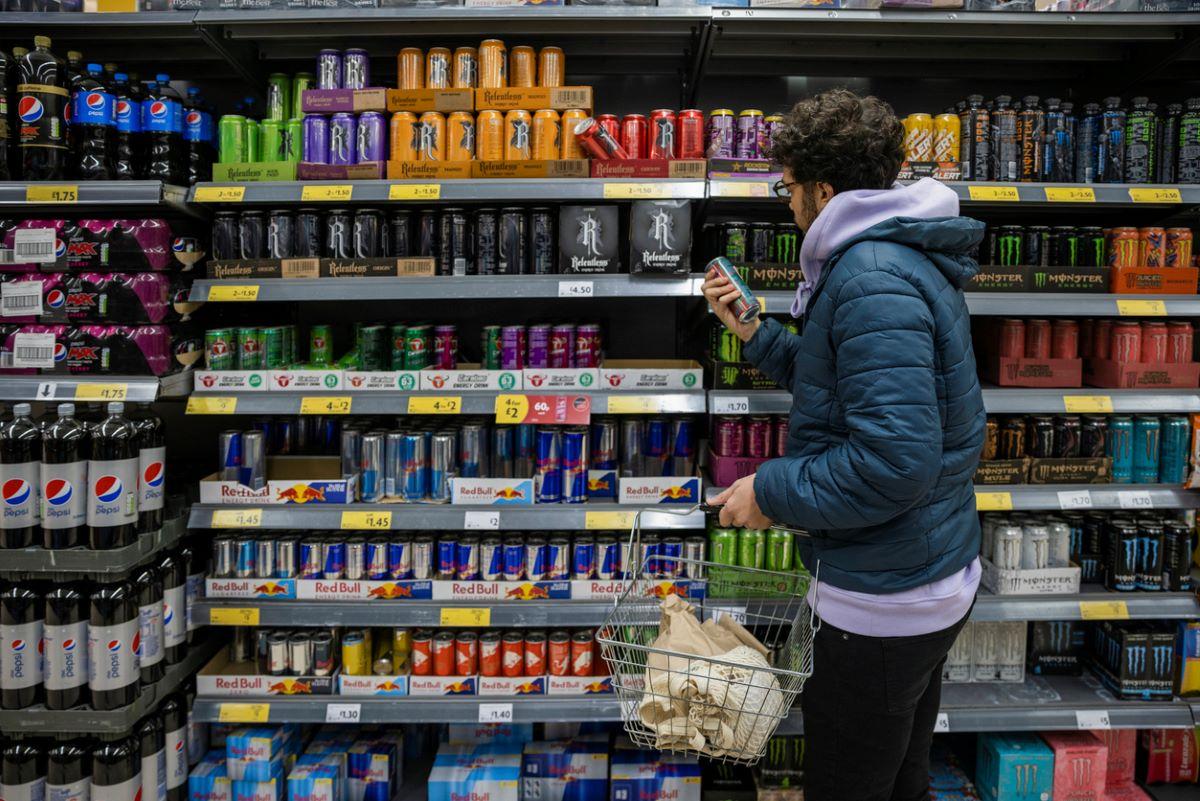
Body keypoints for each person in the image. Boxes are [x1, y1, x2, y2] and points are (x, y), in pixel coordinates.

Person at [702, 89, 987, 801]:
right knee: (901, 780)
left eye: (789, 186)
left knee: (849, 784)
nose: (786, 201)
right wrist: (758, 335)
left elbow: (894, 461)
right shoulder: (886, 258)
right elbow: (847, 385)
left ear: (823, 190)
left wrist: (768, 491)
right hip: (918, 577)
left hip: (886, 603)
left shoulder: (868, 278)